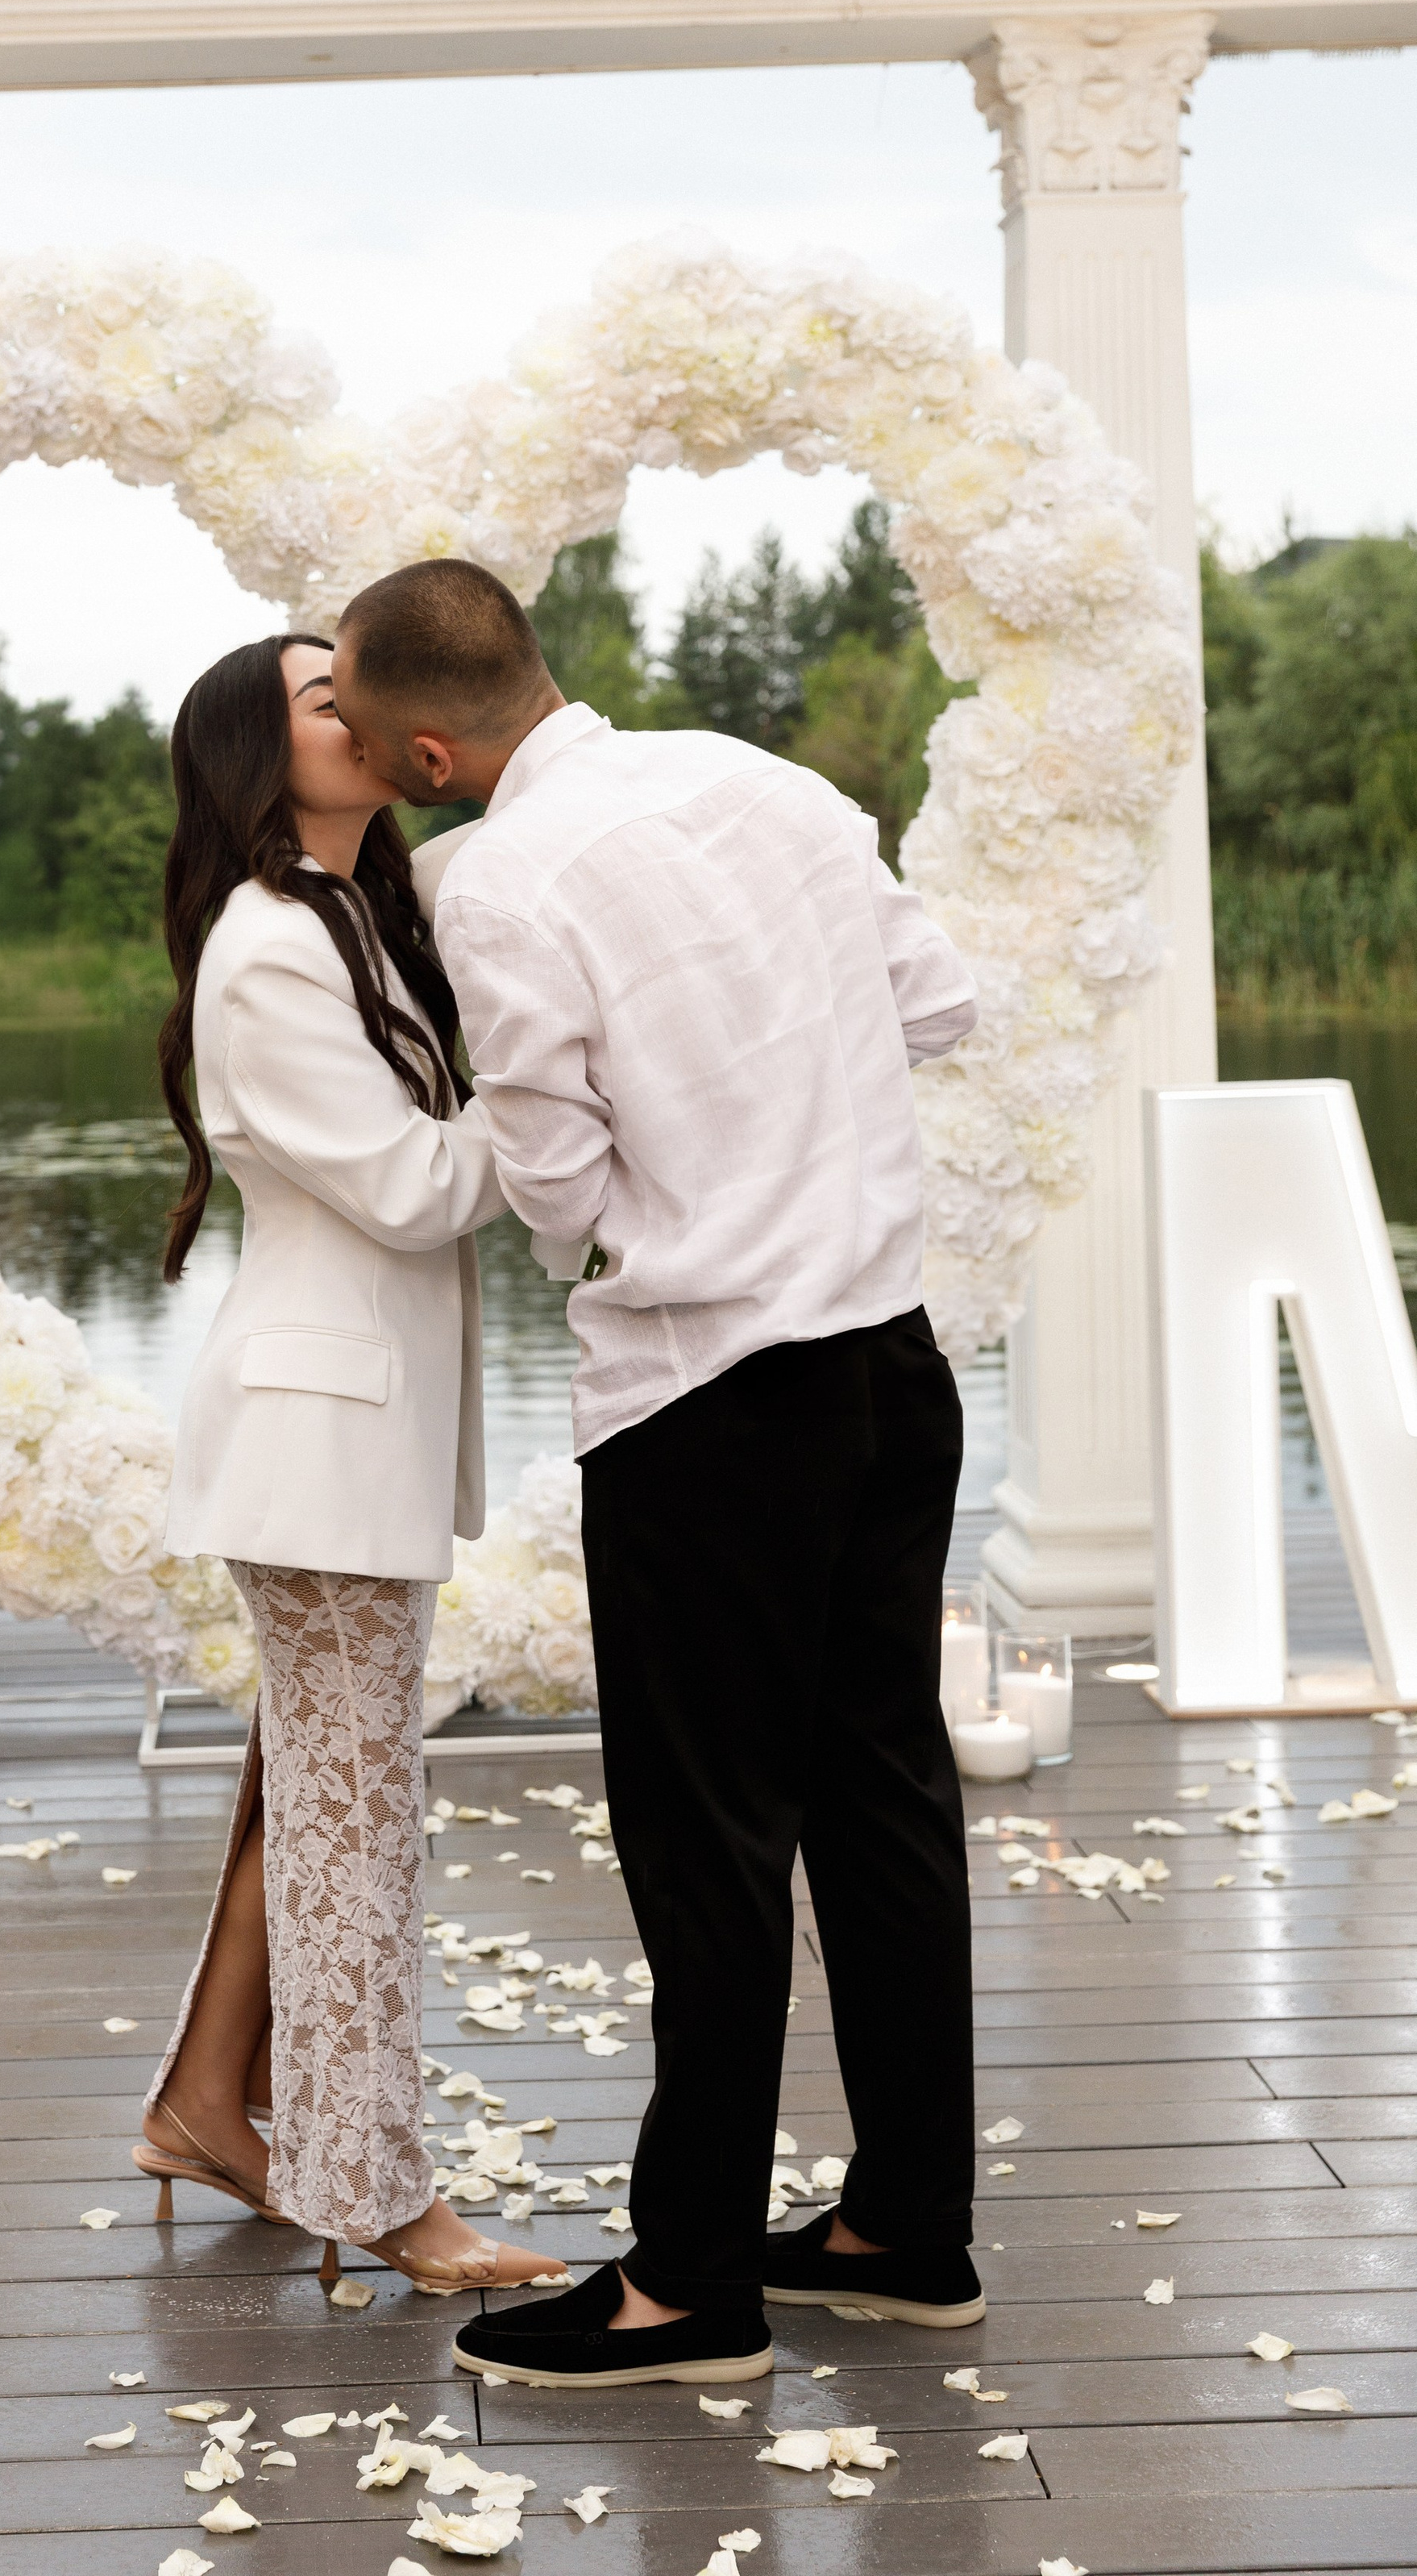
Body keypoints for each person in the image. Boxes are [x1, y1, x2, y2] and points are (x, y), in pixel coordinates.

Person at [331, 556, 983, 2391]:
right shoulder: (768, 784)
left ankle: (689, 2285)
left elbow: (545, 1174)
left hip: (711, 1398)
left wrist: (674, 1202)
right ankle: (904, 2228)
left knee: (707, 1846)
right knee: (881, 1801)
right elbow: (935, 1005)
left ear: (437, 745)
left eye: (387, 754)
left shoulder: (508, 882)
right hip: (885, 1361)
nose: (391, 778)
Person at [137, 630, 566, 2297]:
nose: (367, 713)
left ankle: (200, 2108)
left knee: (307, 1801)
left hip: (342, 1437)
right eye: (328, 700)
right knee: (354, 1827)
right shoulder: (265, 953)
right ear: (264, 753)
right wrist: (550, 1109)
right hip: (316, 1448)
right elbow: (403, 1186)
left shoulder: (351, 916)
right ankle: (381, 2196)